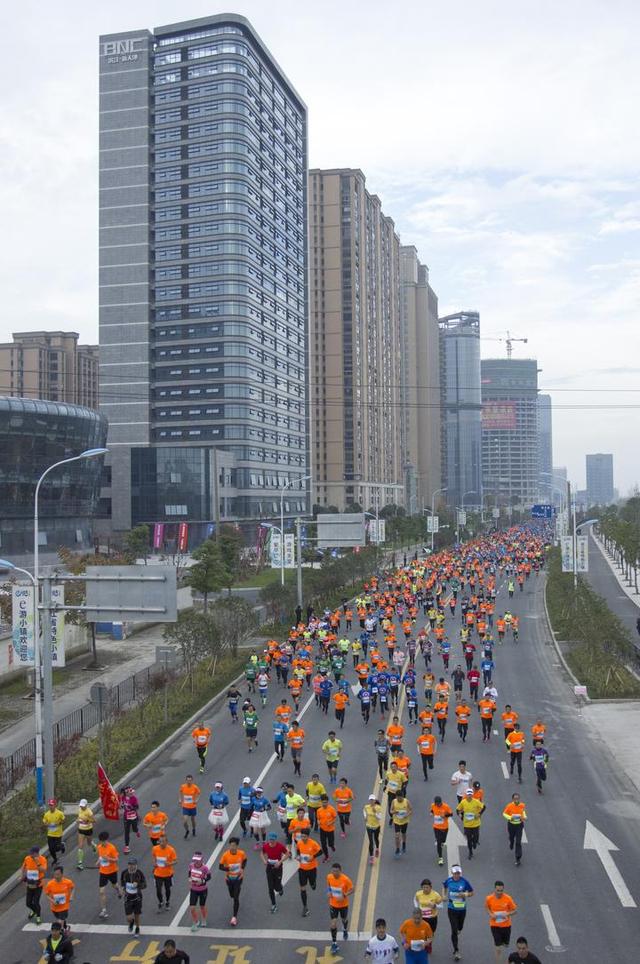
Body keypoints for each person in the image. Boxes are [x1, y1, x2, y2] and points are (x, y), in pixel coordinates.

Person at [442, 865, 473, 961]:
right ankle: (456, 950)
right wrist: (444, 895)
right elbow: (444, 886)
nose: (457, 875)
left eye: (458, 873)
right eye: (455, 873)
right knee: (454, 930)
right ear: (452, 873)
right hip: (451, 909)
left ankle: (459, 929)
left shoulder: (464, 881)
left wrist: (465, 894)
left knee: (460, 927)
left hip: (462, 909)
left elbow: (472, 892)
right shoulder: (449, 881)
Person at [485, 880, 518, 963]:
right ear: (494, 889)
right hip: (494, 925)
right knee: (498, 948)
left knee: (506, 944)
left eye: (501, 890)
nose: (499, 892)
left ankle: (504, 942)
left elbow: (515, 911)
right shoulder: (489, 898)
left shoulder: (508, 898)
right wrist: (490, 914)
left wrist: (507, 914)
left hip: (506, 926)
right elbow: (487, 907)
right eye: (498, 890)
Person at [218, 837, 247, 926]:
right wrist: (228, 868)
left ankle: (234, 917)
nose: (232, 847)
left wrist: (242, 868)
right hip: (229, 878)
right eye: (231, 845)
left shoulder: (241, 853)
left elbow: (245, 860)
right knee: (231, 895)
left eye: (234, 845)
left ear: (237, 846)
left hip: (238, 878)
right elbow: (220, 867)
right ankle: (234, 893)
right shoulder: (225, 855)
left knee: (235, 897)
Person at [327, 861, 353, 954]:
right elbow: (329, 886)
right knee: (333, 923)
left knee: (344, 919)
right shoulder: (329, 877)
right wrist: (329, 892)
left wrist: (344, 895)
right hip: (333, 904)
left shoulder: (346, 879)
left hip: (343, 905)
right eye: (333, 871)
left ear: (340, 871)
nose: (335, 873)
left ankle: (345, 929)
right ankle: (334, 943)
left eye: (337, 871)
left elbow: (352, 889)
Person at [96, 830, 123, 918]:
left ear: (106, 840)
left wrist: (108, 859)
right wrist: (98, 862)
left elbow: (116, 859)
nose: (102, 843)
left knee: (114, 885)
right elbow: (100, 857)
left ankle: (119, 890)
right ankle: (104, 911)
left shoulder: (112, 848)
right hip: (103, 872)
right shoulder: (99, 847)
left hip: (112, 871)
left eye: (104, 841)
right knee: (101, 891)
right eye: (101, 841)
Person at [261, 831, 290, 912]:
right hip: (269, 867)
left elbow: (287, 854)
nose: (271, 841)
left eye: (273, 840)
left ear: (275, 839)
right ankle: (273, 904)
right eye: (270, 840)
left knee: (277, 888)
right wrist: (264, 860)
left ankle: (280, 888)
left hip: (278, 868)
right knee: (270, 888)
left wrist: (280, 862)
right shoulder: (266, 846)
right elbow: (262, 853)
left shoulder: (280, 846)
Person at [296, 826, 322, 916]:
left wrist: (313, 857)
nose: (303, 838)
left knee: (312, 885)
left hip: (312, 868)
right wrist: (298, 856)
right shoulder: (299, 843)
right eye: (302, 836)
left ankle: (313, 883)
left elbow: (320, 851)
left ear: (308, 836)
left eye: (304, 836)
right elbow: (298, 851)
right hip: (302, 869)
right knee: (302, 888)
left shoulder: (313, 843)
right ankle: (305, 907)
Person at [456, 788, 485, 859]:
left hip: (475, 823)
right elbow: (457, 809)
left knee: (476, 837)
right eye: (468, 794)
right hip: (467, 824)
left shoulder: (476, 801)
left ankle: (475, 842)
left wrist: (479, 814)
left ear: (472, 795)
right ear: (466, 795)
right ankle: (470, 852)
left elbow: (484, 807)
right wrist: (459, 814)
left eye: (470, 794)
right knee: (469, 839)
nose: (469, 796)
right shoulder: (463, 802)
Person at [44, 866, 75, 932]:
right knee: (60, 919)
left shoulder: (68, 882)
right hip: (54, 907)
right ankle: (65, 927)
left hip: (64, 906)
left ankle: (61, 934)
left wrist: (71, 896)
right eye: (55, 874)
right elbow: (46, 895)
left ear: (62, 874)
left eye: (58, 874)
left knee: (60, 921)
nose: (56, 876)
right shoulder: (50, 884)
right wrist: (52, 901)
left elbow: (73, 888)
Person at [121, 856, 146, 935]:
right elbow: (122, 883)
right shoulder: (124, 873)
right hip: (128, 898)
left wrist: (138, 884)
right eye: (130, 864)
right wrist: (122, 890)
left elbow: (144, 885)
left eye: (133, 864)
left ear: (136, 865)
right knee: (128, 917)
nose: (131, 866)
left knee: (137, 915)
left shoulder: (139, 873)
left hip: (137, 897)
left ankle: (137, 928)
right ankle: (131, 922)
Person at [152, 833, 177, 912]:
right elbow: (154, 857)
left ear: (167, 842)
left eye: (163, 841)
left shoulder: (171, 850)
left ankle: (167, 902)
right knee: (158, 889)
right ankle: (160, 902)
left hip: (168, 874)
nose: (161, 843)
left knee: (167, 889)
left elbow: (176, 861)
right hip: (158, 873)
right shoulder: (155, 849)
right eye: (160, 841)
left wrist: (169, 864)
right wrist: (154, 863)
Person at [22, 845, 47, 924]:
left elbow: (43, 870)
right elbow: (23, 867)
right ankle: (34, 911)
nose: (30, 855)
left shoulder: (42, 859)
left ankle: (38, 916)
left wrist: (38, 863)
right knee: (28, 903)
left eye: (32, 853)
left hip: (38, 884)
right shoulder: (27, 858)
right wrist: (22, 877)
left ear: (36, 853)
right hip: (30, 883)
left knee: (36, 902)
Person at [187, 850, 211, 931]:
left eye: (198, 859)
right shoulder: (191, 865)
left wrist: (202, 881)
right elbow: (189, 873)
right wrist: (189, 878)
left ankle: (204, 919)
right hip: (193, 889)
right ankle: (196, 921)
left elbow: (209, 877)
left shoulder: (205, 868)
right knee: (192, 908)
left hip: (203, 890)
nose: (196, 861)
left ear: (201, 859)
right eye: (195, 859)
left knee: (202, 906)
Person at [503, 794, 527, 865]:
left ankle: (518, 858)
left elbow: (523, 812)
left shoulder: (522, 805)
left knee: (518, 842)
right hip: (511, 825)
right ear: (512, 799)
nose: (516, 800)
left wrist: (525, 817)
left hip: (519, 825)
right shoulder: (509, 806)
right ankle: (511, 842)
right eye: (515, 799)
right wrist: (510, 818)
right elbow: (504, 814)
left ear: (519, 799)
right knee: (511, 837)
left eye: (517, 798)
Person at [42, 799, 66, 867]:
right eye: (50, 805)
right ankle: (55, 859)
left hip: (58, 834)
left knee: (57, 848)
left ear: (55, 805)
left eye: (52, 805)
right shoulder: (47, 814)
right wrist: (45, 824)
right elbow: (44, 821)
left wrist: (59, 823)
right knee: (51, 849)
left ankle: (62, 845)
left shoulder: (59, 813)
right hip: (50, 834)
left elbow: (64, 820)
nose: (50, 806)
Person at [430, 796, 453, 866]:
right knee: (439, 841)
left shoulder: (446, 806)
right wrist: (431, 813)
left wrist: (445, 816)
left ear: (441, 802)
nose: (438, 805)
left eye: (439, 803)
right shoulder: (433, 805)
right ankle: (440, 858)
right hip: (436, 827)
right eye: (436, 804)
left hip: (444, 827)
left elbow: (451, 814)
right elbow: (432, 810)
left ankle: (442, 842)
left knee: (443, 840)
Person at [390, 788, 412, 856]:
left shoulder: (406, 801)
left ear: (402, 796)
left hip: (404, 821)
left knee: (403, 834)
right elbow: (391, 810)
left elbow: (411, 810)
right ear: (396, 797)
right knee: (397, 835)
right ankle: (397, 849)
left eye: (400, 798)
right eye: (398, 798)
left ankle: (404, 843)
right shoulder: (394, 801)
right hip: (396, 821)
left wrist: (407, 815)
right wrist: (394, 812)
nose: (399, 799)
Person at [179, 775, 201, 839]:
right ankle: (187, 830)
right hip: (185, 807)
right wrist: (180, 799)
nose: (189, 781)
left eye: (190, 780)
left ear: (192, 780)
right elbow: (180, 792)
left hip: (192, 807)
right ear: (186, 780)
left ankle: (194, 829)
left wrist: (197, 800)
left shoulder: (195, 787)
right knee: (185, 821)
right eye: (187, 780)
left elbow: (199, 793)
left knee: (192, 820)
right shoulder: (183, 786)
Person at [76, 798, 96, 868]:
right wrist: (78, 820)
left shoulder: (89, 812)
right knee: (80, 845)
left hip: (88, 829)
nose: (82, 807)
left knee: (89, 843)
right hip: (81, 829)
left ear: (86, 805)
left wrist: (87, 821)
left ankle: (93, 845)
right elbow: (79, 818)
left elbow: (94, 821)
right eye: (81, 805)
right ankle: (80, 863)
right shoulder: (79, 810)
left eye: (83, 806)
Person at [318, 795, 338, 861]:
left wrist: (331, 823)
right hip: (322, 829)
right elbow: (318, 818)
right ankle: (326, 856)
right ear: (321, 802)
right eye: (323, 802)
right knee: (323, 844)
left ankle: (332, 846)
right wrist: (318, 822)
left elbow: (335, 818)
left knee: (330, 843)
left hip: (330, 830)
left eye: (325, 802)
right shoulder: (319, 810)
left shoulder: (331, 809)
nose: (324, 804)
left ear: (328, 802)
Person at [363, 795, 383, 865]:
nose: (371, 801)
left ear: (375, 801)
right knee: (371, 842)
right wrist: (365, 817)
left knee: (376, 839)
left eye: (373, 800)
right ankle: (371, 857)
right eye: (370, 800)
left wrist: (375, 812)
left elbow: (379, 818)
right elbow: (364, 811)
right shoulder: (366, 807)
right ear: (369, 801)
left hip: (376, 826)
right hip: (369, 826)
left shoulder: (378, 808)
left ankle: (377, 848)